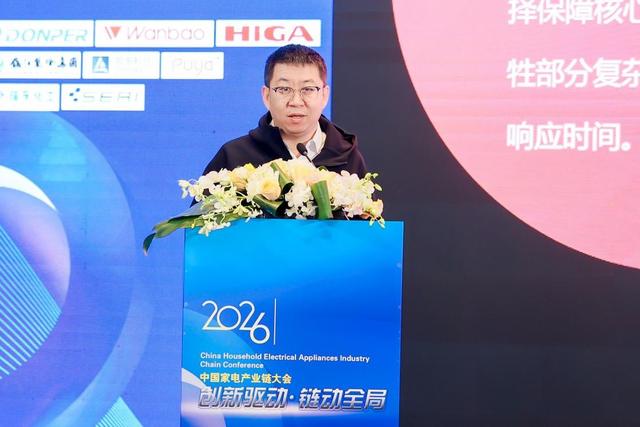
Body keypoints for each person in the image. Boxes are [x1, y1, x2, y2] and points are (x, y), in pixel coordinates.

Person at [200, 44, 367, 177]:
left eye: (308, 89)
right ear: (266, 96)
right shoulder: (234, 156)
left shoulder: (348, 158)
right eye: (284, 89)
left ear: (324, 95)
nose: (296, 102)